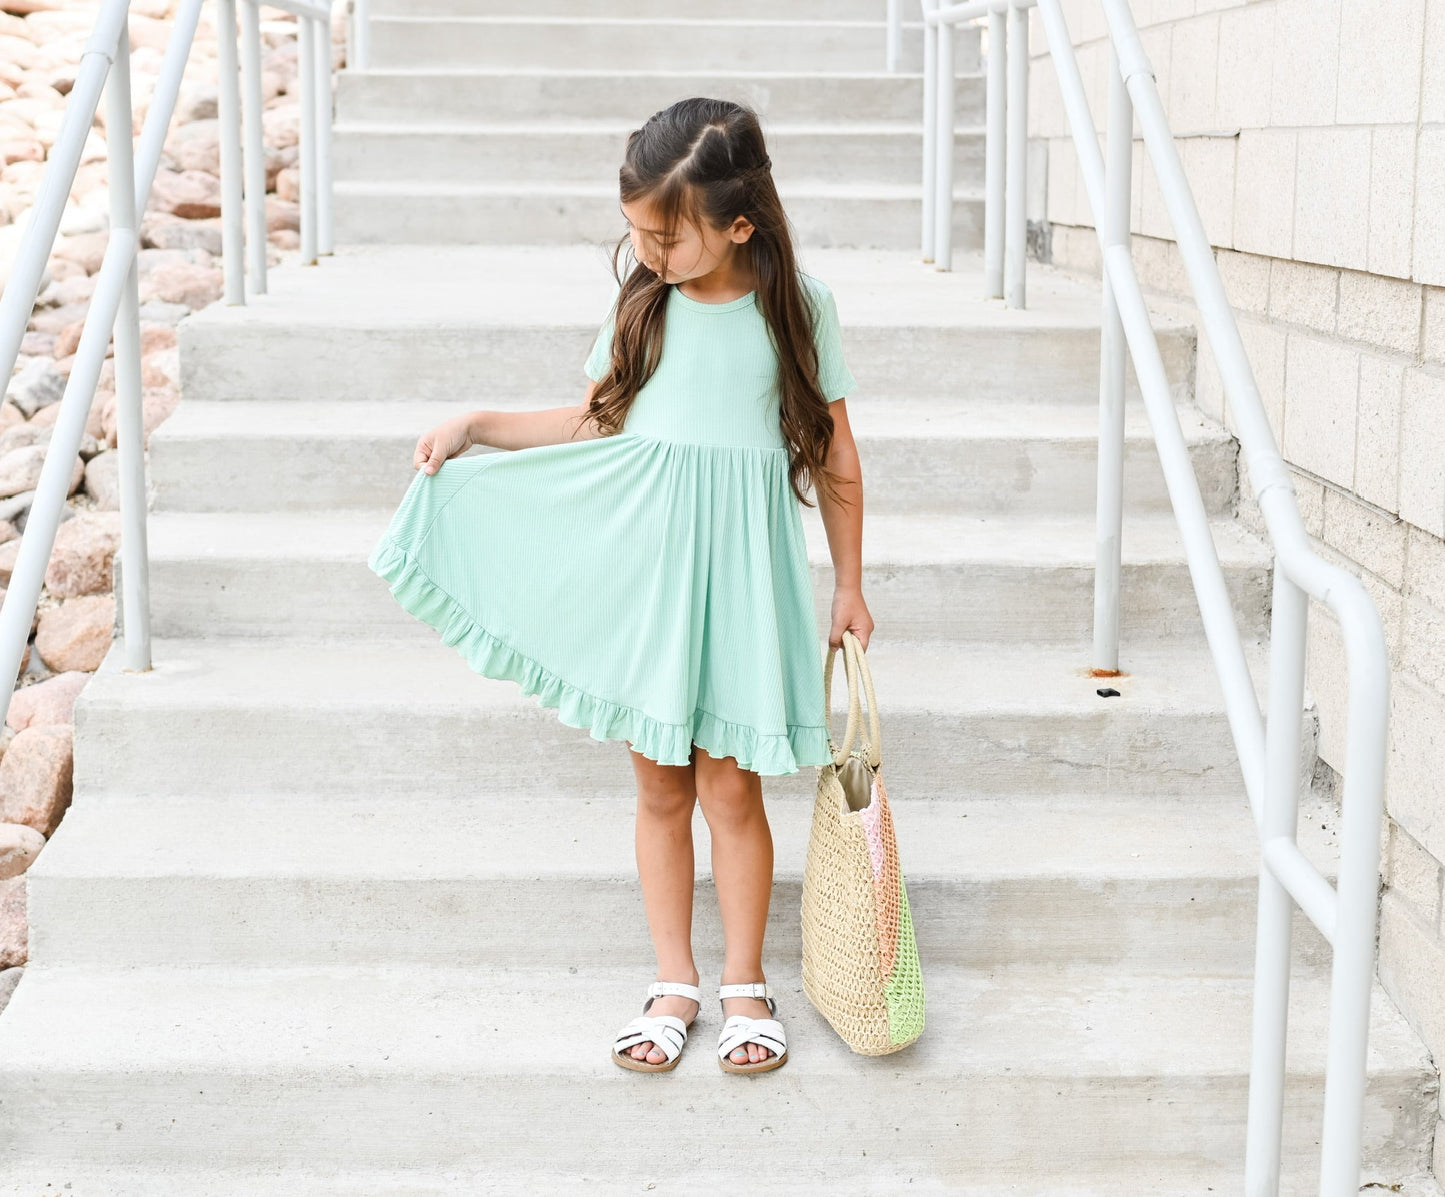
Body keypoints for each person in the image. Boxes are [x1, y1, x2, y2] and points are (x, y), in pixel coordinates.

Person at [367, 96, 872, 1076]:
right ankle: (671, 979)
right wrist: (478, 422)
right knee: (657, 783)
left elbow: (836, 450)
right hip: (646, 578)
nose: (645, 252)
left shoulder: (796, 308)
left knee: (730, 787)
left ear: (737, 224)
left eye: (665, 236)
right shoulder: (644, 302)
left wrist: (849, 582)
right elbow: (595, 421)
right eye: (635, 231)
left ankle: (743, 983)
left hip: (739, 582)